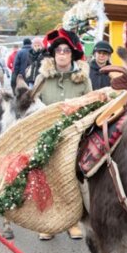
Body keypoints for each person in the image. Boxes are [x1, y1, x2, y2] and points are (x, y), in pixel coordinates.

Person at [33, 27, 92, 240]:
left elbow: (90, 103)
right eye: (58, 51)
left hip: (75, 138)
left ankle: (72, 222)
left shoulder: (83, 79)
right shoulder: (43, 78)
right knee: (47, 180)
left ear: (72, 54)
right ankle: (48, 224)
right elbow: (32, 103)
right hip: (47, 137)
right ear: (53, 54)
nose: (62, 54)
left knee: (70, 181)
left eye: (66, 51)